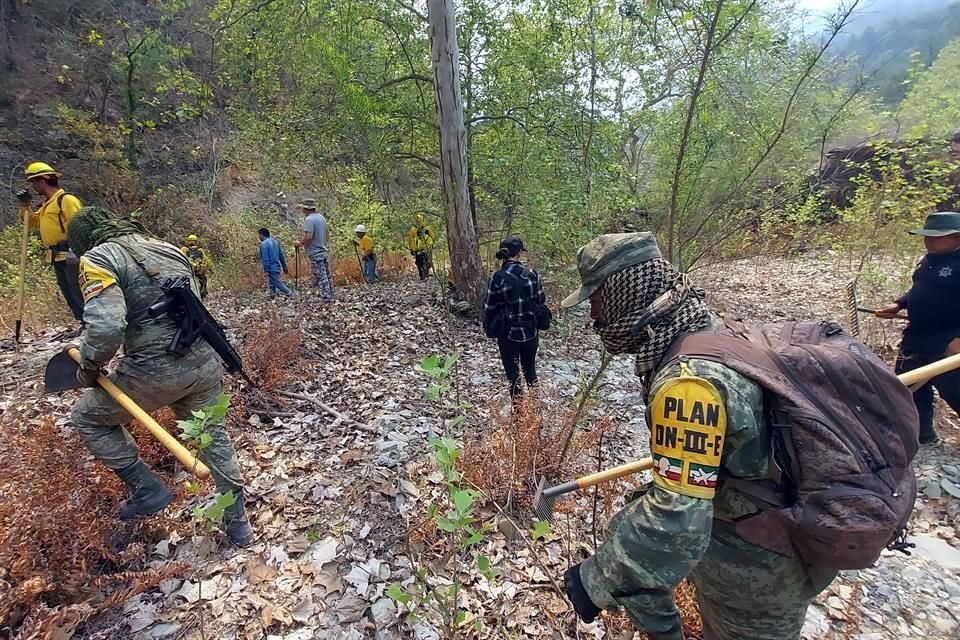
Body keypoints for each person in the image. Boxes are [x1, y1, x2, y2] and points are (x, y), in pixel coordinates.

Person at [558, 233, 838, 640]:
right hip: (772, 545)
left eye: (596, 300)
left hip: (755, 575)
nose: (594, 318)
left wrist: (596, 579)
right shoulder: (709, 330)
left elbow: (679, 518)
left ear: (622, 291)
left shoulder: (687, 385)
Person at [64, 206, 254, 546]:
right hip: (203, 362)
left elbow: (106, 326)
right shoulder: (166, 248)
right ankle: (238, 523)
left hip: (154, 371)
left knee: (86, 417)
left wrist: (89, 369)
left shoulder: (98, 259)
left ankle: (147, 488)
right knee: (214, 437)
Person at [876, 211, 960, 444]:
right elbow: (919, 288)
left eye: (936, 238)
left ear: (956, 237)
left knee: (954, 389)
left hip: (948, 340)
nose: (929, 241)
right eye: (927, 237)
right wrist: (898, 304)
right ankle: (921, 434)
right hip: (917, 334)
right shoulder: (929, 260)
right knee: (908, 384)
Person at [16, 161, 85, 324]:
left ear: (42, 180)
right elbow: (31, 224)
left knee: (78, 290)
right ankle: (83, 323)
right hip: (57, 256)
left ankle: (92, 323)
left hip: (71, 253)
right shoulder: (47, 204)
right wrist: (25, 206)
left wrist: (78, 251)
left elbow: (80, 225)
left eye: (33, 181)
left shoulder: (66, 200)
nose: (33, 186)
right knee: (68, 292)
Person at [483, 237, 545, 399]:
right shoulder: (532, 274)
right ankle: (534, 415)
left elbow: (489, 308)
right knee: (530, 372)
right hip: (531, 332)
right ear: (519, 254)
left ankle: (519, 418)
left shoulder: (496, 278)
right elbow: (541, 301)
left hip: (508, 334)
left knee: (513, 376)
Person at [294, 198, 334, 301]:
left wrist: (300, 244)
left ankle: (326, 296)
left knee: (320, 275)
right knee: (326, 273)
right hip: (323, 249)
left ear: (306, 208)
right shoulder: (321, 218)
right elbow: (327, 234)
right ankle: (331, 293)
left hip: (315, 251)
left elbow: (308, 236)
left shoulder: (309, 220)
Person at [258, 228, 292, 299]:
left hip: (271, 267)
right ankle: (272, 296)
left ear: (262, 234)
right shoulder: (275, 242)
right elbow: (281, 255)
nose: (259, 237)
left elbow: (265, 258)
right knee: (272, 282)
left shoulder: (263, 244)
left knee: (277, 283)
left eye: (259, 235)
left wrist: (266, 270)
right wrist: (284, 266)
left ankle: (290, 293)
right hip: (277, 266)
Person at [181, 234, 213, 299]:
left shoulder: (184, 249)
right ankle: (202, 295)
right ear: (196, 242)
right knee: (203, 280)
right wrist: (211, 269)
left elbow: (180, 258)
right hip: (198, 272)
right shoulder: (200, 250)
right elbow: (207, 261)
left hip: (188, 271)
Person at [406, 213, 436, 280]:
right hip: (427, 248)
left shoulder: (413, 229)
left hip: (417, 249)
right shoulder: (427, 227)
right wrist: (432, 244)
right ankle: (426, 274)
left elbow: (410, 240)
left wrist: (411, 249)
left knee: (419, 262)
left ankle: (422, 275)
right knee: (427, 261)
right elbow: (433, 237)